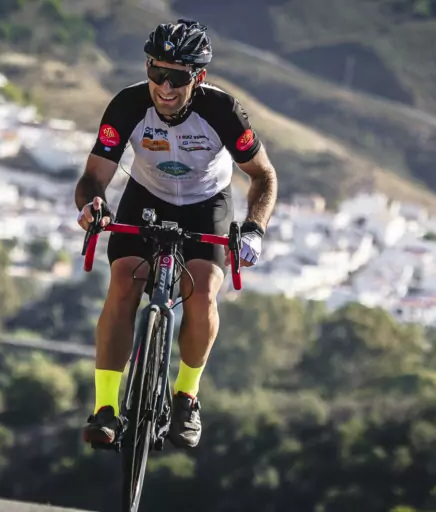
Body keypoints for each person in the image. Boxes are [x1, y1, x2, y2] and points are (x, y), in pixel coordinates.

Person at [74, 18, 278, 449]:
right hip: (146, 196)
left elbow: (263, 176)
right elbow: (94, 177)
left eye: (178, 78)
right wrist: (93, 206)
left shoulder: (222, 111)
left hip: (208, 203)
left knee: (202, 291)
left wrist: (255, 229)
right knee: (123, 281)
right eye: (157, 72)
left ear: (198, 78)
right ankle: (105, 407)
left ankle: (186, 397)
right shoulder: (128, 105)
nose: (165, 87)